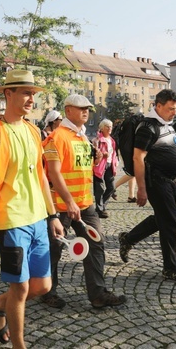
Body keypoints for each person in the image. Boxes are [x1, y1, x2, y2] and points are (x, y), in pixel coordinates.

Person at [0, 69, 64, 348]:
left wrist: (52, 215)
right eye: (26, 92)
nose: (31, 98)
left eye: (33, 93)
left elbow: (40, 176)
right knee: (21, 287)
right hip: (10, 221)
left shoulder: (32, 130)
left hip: (38, 218)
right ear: (8, 94)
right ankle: (19, 345)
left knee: (43, 286)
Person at [41, 94, 126, 310]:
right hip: (61, 205)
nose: (86, 112)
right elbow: (54, 173)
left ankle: (98, 294)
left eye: (87, 108)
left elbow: (81, 165)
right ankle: (47, 291)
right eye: (81, 108)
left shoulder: (82, 137)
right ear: (68, 110)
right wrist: (69, 202)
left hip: (85, 203)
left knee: (96, 244)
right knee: (54, 249)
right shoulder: (56, 138)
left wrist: (95, 158)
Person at [118, 89, 176, 283]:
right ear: (157, 106)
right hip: (155, 180)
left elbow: (173, 149)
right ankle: (171, 268)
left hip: (169, 181)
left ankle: (128, 238)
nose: (174, 112)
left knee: (162, 218)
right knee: (170, 222)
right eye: (170, 109)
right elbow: (138, 157)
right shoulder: (147, 127)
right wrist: (141, 188)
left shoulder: (167, 125)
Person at [93, 119, 118, 219]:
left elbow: (114, 153)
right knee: (100, 188)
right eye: (107, 126)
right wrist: (101, 154)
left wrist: (115, 163)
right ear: (102, 128)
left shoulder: (112, 140)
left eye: (111, 126)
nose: (110, 128)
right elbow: (93, 151)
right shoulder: (97, 139)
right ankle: (100, 209)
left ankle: (101, 206)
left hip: (110, 165)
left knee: (111, 187)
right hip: (99, 166)